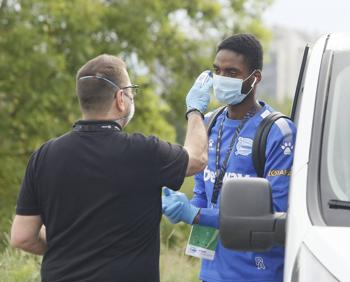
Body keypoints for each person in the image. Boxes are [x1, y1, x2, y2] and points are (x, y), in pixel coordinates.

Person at [10, 54, 213, 282]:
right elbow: (197, 158)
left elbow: (22, 236)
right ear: (120, 98)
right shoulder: (144, 152)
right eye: (131, 91)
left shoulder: (43, 156)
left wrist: (67, 246)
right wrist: (195, 111)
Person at [162, 34, 297, 282]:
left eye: (232, 73)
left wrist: (196, 215)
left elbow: (273, 214)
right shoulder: (209, 122)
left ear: (254, 78)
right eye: (217, 70)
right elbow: (203, 193)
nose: (222, 79)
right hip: (211, 273)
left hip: (257, 274)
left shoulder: (278, 132)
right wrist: (184, 207)